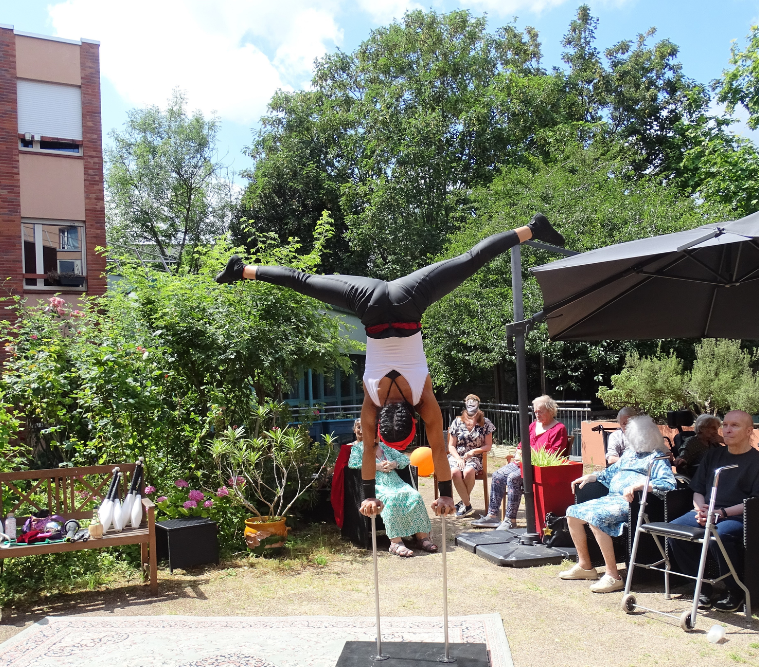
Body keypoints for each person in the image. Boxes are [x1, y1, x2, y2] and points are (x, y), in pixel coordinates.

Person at [215, 215, 565, 522]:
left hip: (409, 300)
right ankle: (242, 270)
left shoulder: (422, 398)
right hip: (368, 302)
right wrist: (368, 494)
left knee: (470, 259)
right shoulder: (373, 400)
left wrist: (444, 493)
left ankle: (532, 229)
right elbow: (369, 450)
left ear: (412, 420)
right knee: (303, 280)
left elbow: (438, 450)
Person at [667, 410, 759, 612]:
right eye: (725, 425)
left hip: (738, 516)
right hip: (707, 512)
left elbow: (757, 502)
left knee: (718, 536)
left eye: (734, 425)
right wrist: (700, 510)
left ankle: (735, 590)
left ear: (749, 431)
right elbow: (697, 489)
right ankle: (702, 586)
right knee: (674, 531)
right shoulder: (713, 455)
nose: (727, 430)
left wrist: (721, 513)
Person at [560, 415, 676, 593]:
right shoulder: (629, 454)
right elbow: (609, 473)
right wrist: (592, 476)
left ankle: (613, 576)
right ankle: (585, 566)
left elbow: (668, 484)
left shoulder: (657, 457)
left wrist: (641, 485)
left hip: (632, 503)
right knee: (572, 512)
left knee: (596, 517)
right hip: (612, 498)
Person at [473, 395, 569, 529]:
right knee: (497, 475)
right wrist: (518, 453)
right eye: (535, 411)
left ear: (550, 410)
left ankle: (510, 520)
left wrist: (529, 456)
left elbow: (553, 454)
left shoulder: (559, 429)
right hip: (521, 464)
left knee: (513, 478)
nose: (537, 415)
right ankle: (492, 516)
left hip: (538, 468)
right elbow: (521, 444)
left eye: (540, 412)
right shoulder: (533, 425)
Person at [347, 419, 436, 557]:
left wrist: (393, 464)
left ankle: (422, 538)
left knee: (415, 496)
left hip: (396, 482)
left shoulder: (385, 447)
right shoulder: (358, 449)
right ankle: (396, 542)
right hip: (377, 484)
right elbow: (353, 464)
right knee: (391, 499)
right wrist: (376, 466)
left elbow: (405, 459)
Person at [447, 395, 495, 516]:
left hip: (475, 457)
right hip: (457, 456)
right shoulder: (457, 422)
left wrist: (473, 452)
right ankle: (467, 504)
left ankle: (463, 503)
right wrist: (458, 458)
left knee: (468, 471)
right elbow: (451, 446)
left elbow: (488, 445)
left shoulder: (486, 423)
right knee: (455, 472)